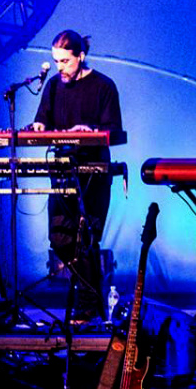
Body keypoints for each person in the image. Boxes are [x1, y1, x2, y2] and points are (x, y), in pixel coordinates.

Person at [30, 29, 123, 317]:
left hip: (93, 173)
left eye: (65, 61)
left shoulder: (104, 86)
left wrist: (89, 130)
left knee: (87, 239)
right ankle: (91, 302)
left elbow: (113, 130)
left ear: (80, 56)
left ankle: (88, 307)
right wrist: (39, 127)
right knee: (59, 237)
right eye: (56, 61)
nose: (60, 67)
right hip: (62, 170)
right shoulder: (53, 87)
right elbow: (41, 122)